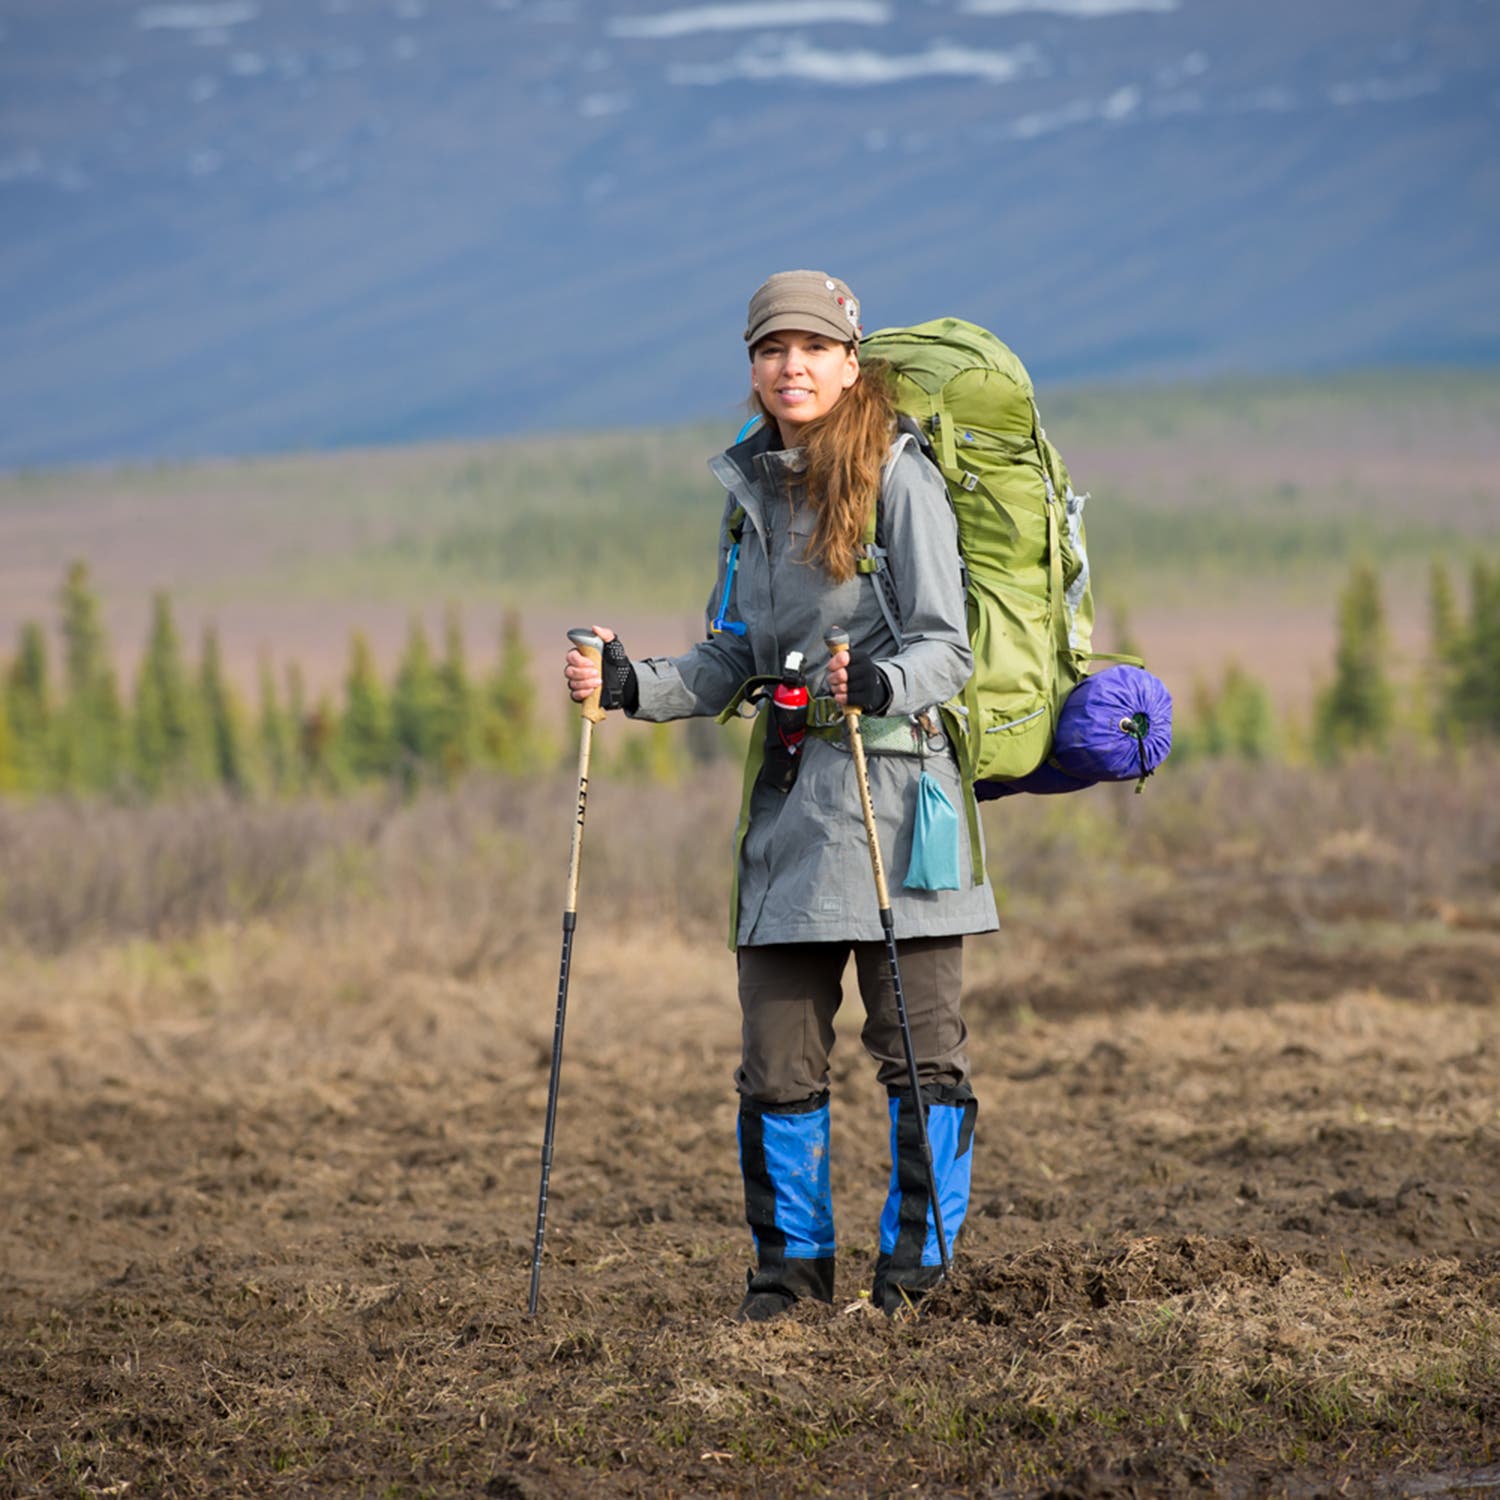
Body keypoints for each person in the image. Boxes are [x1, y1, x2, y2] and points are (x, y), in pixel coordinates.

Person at [565, 270, 997, 1320]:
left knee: (921, 1061)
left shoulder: (901, 478)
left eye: (811, 348)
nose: (789, 365)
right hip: (792, 814)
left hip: (902, 815)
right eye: (770, 349)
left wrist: (883, 680)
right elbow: (731, 655)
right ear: (753, 368)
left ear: (853, 364)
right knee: (776, 1067)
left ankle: (918, 1284)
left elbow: (949, 646)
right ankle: (789, 1286)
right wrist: (634, 685)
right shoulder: (750, 489)